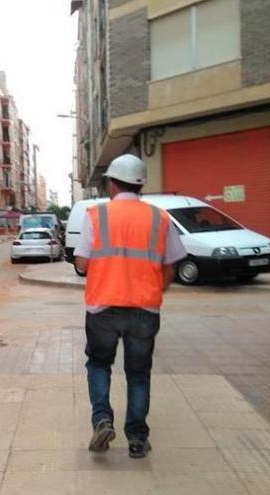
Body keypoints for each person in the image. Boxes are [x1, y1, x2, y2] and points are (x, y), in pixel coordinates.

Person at [74, 154, 186, 458]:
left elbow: (82, 263)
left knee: (99, 364)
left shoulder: (97, 216)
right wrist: (153, 290)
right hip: (144, 310)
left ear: (112, 184)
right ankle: (136, 438)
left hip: (103, 309)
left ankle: (102, 420)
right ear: (141, 185)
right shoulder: (159, 218)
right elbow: (171, 267)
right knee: (138, 374)